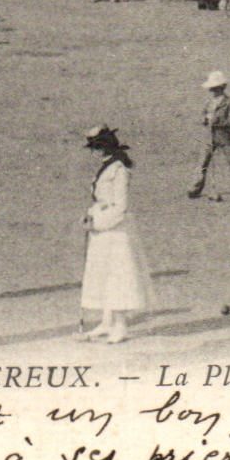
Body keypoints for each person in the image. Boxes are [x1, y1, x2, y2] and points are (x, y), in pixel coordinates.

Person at [79, 126, 152, 344]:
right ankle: (106, 322)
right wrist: (90, 216)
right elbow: (100, 201)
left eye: (95, 147)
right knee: (102, 275)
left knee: (118, 276)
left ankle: (120, 326)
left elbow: (120, 207)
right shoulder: (105, 167)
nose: (93, 152)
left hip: (116, 233)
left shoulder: (118, 169)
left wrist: (98, 223)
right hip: (103, 232)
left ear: (104, 147)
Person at [188, 71, 230, 200]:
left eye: (215, 89)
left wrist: (219, 122)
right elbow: (202, 115)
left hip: (224, 137)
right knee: (202, 163)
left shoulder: (228, 102)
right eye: (211, 89)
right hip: (208, 137)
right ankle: (195, 188)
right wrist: (205, 120)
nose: (212, 91)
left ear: (221, 88)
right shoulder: (209, 102)